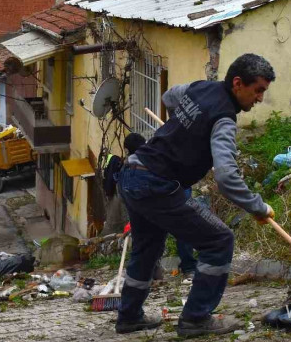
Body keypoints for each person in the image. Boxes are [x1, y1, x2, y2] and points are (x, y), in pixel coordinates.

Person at [115, 54, 276, 337]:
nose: (260, 98)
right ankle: (196, 319)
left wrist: (185, 128)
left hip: (131, 173)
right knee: (219, 240)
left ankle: (129, 317)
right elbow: (226, 177)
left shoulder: (201, 87)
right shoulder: (224, 118)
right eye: (258, 90)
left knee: (147, 248)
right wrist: (257, 207)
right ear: (238, 83)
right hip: (156, 184)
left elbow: (168, 97)